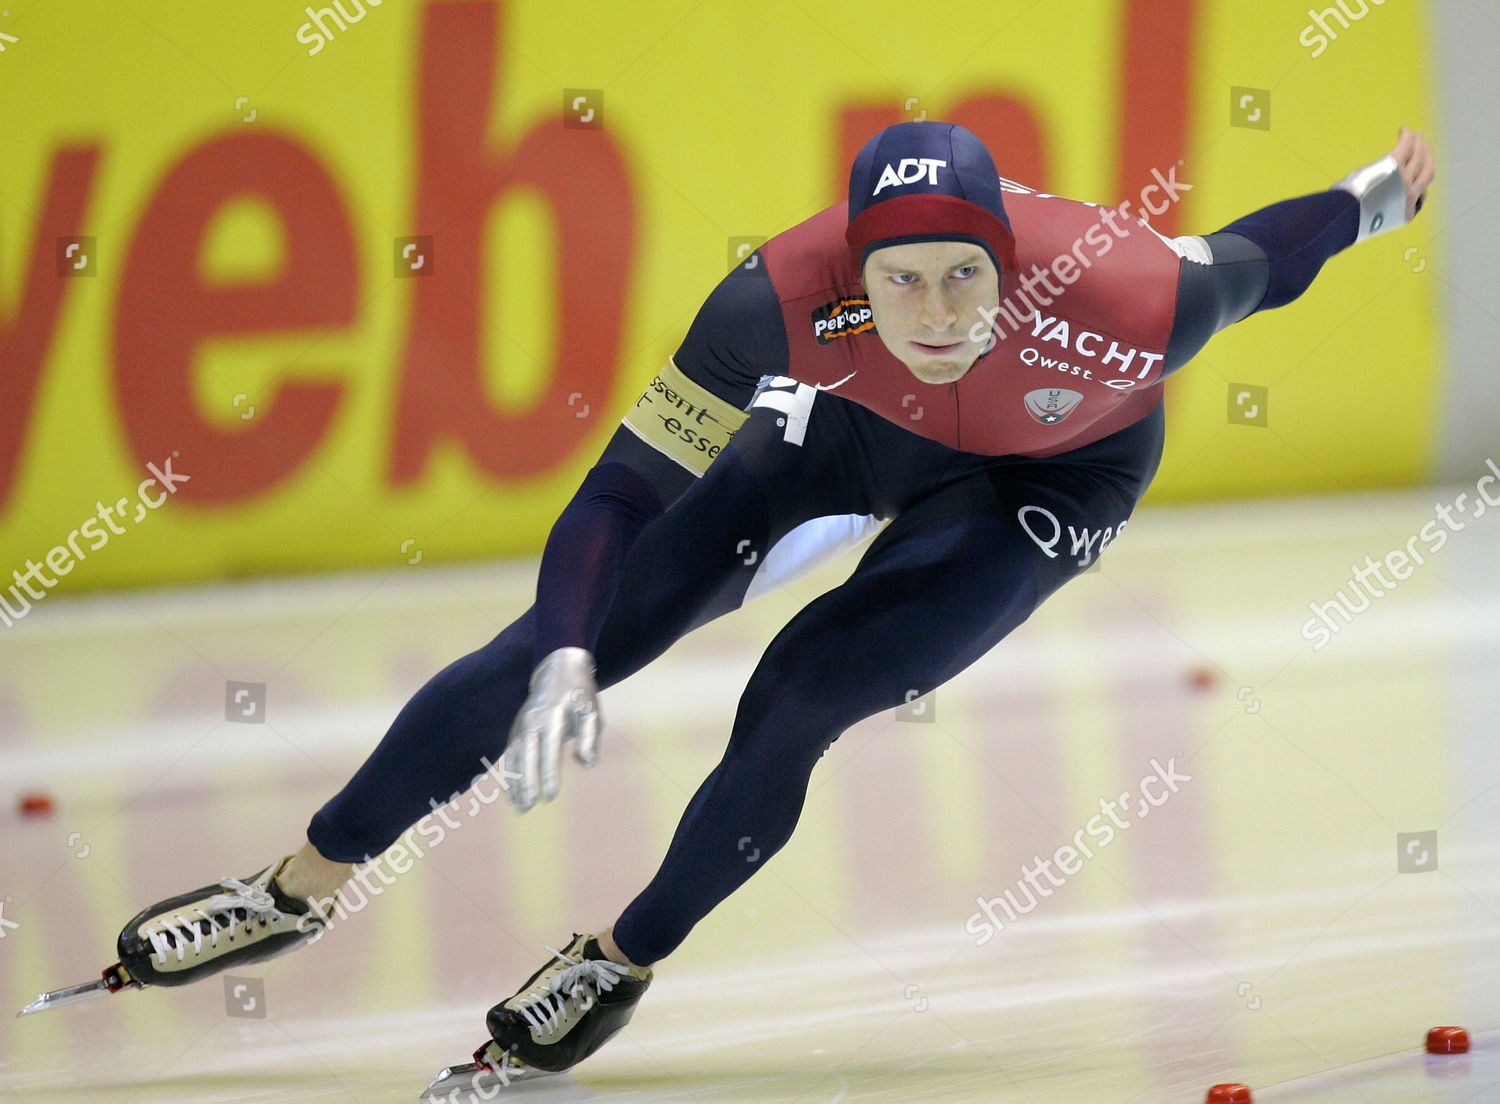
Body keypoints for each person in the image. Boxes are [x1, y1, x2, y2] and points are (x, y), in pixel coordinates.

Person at [102, 120, 1433, 1075]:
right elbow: (621, 491)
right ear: (848, 267)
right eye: (897, 278)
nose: (933, 307)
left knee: (800, 695)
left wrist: (1372, 197)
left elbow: (1272, 254)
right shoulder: (768, 306)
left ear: (1011, 260)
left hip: (1055, 473)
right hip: (852, 430)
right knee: (558, 644)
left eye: (966, 273)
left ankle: (617, 960)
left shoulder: (1133, 294)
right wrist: (570, 653)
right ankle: (297, 885)